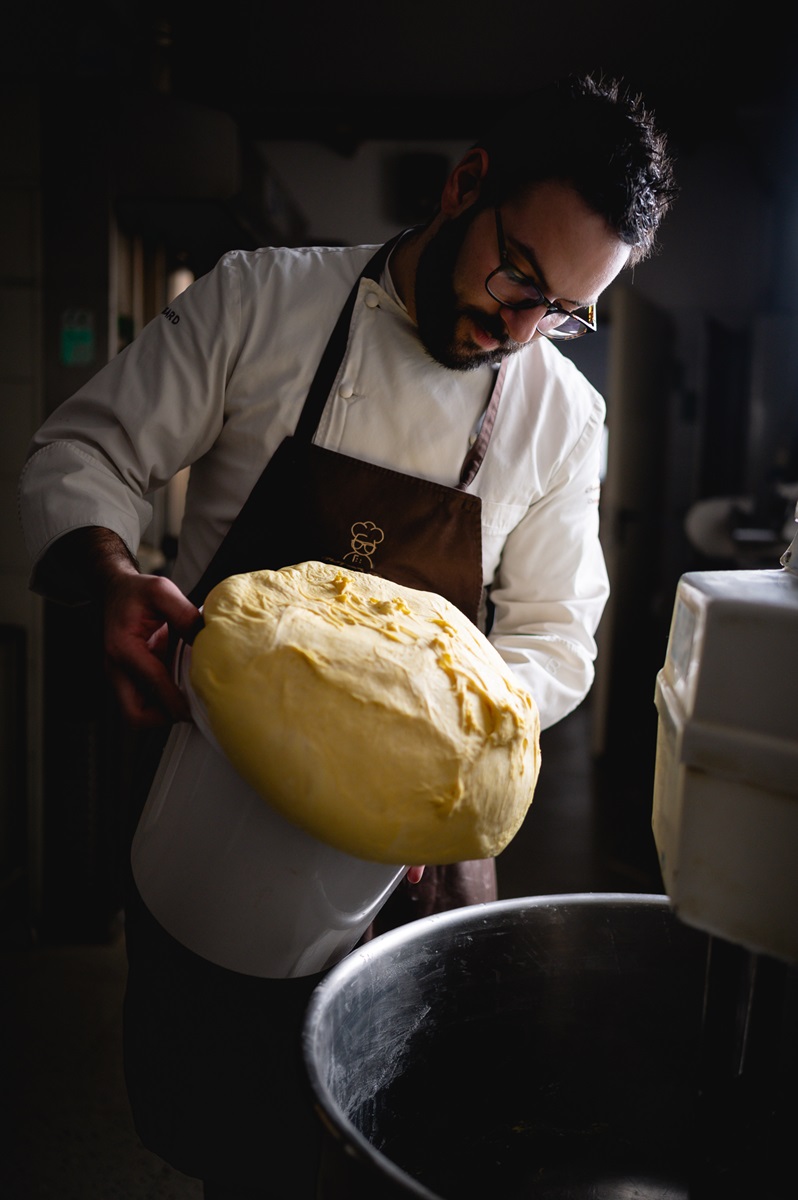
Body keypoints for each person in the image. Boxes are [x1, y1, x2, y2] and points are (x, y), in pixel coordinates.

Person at [18, 74, 676, 1197]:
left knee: (385, 1148)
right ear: (466, 184)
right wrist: (111, 574)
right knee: (223, 1142)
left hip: (413, 869)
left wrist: (449, 756)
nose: (519, 331)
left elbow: (560, 638)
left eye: (562, 310)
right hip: (213, 819)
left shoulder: (564, 418)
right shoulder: (264, 303)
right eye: (518, 274)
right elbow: (85, 455)